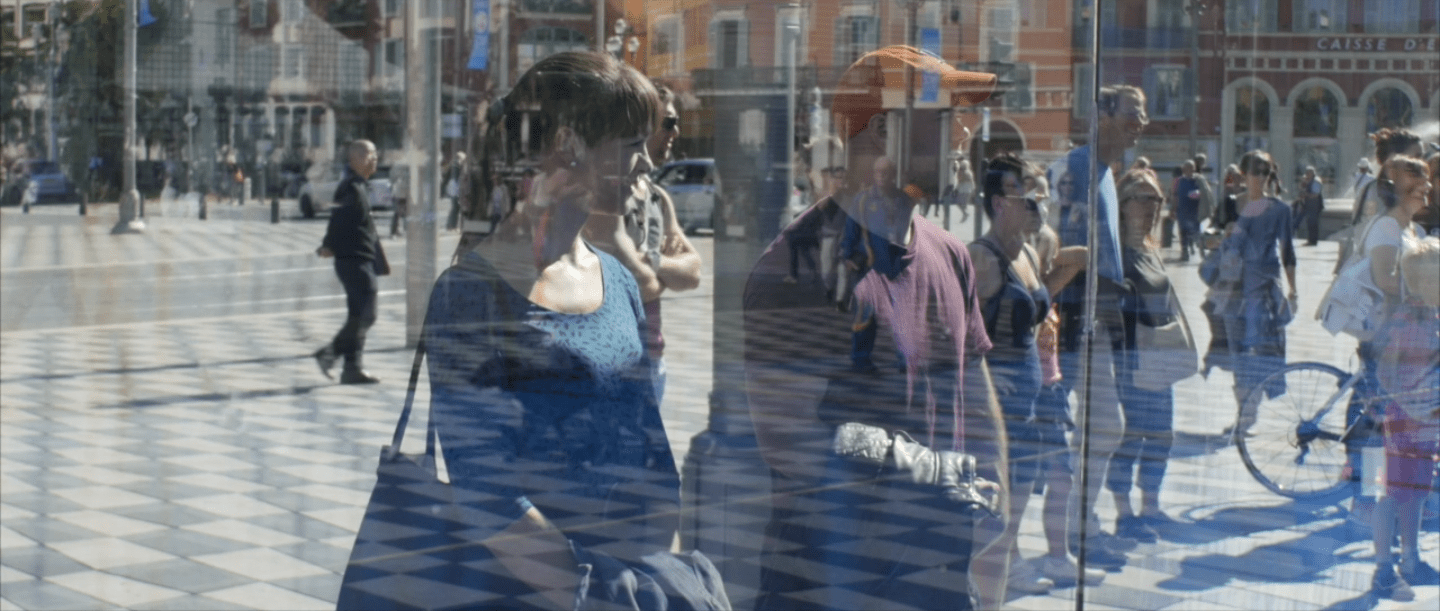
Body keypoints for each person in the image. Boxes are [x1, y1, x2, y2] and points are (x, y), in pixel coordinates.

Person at [744, 45, 1004, 611]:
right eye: (949, 116)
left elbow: (977, 399)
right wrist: (929, 471)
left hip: (938, 574)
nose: (966, 133)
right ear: (886, 131)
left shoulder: (952, 254)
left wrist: (993, 504)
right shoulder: (797, 267)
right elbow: (789, 441)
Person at [420, 51, 683, 607]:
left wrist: (664, 578)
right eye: (632, 143)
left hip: (633, 582)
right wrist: (597, 594)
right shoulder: (471, 293)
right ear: (570, 144)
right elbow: (487, 494)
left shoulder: (616, 279)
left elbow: (650, 447)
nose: (646, 163)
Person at [1047, 84, 1149, 568]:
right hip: (1075, 317)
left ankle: (1078, 525)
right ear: (1102, 115)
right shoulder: (1079, 167)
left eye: (1143, 116)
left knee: (1102, 426)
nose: (1140, 124)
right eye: (1132, 114)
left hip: (1097, 317)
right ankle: (1071, 531)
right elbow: (1057, 248)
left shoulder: (1106, 172)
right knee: (1089, 427)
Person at [582, 81, 702, 407]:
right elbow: (639, 285)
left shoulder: (656, 196)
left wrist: (649, 261)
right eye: (669, 122)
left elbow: (693, 273)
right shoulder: (606, 193)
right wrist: (660, 271)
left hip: (650, 362)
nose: (675, 132)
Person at [967, 154, 1056, 597]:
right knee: (993, 515)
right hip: (998, 411)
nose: (1039, 205)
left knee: (1016, 503)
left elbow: (1032, 314)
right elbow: (950, 329)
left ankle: (1004, 576)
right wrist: (982, 372)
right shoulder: (981, 258)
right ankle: (981, 591)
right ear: (1000, 203)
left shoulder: (1028, 254)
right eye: (1029, 196)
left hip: (1028, 405)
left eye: (1041, 195)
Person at [1107, 168, 1182, 544]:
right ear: (1122, 205)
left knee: (1162, 433)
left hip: (1159, 354)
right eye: (1143, 198)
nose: (1152, 206)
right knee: (1132, 434)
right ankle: (1124, 512)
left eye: (1157, 199)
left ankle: (1150, 505)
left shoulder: (1151, 248)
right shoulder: (1116, 254)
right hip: (1131, 356)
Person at [1370, 231, 1439, 602]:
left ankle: (1410, 560)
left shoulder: (1430, 316)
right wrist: (1409, 403)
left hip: (1424, 422)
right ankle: (1383, 569)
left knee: (1416, 492)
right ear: (1427, 283)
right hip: (1405, 421)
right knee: (1393, 495)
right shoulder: (1408, 320)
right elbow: (1387, 371)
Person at [1210, 150, 1297, 413]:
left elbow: (1288, 250)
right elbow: (1211, 237)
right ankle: (1245, 408)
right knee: (1238, 350)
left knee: (1265, 347)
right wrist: (1222, 237)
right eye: (1254, 172)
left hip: (1265, 287)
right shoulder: (1230, 205)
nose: (1260, 177)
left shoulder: (1280, 209)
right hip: (1232, 287)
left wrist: (1293, 290)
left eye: (1265, 172)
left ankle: (1252, 406)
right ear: (1243, 174)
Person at [314, 140, 387, 385]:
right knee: (367, 314)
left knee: (358, 315)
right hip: (354, 260)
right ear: (353, 159)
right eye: (368, 154)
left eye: (375, 154)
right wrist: (328, 244)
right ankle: (329, 355)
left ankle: (352, 369)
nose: (374, 158)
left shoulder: (359, 186)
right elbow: (338, 219)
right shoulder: (350, 187)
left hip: (359, 258)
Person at [1173, 160, 1203, 261]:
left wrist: (1198, 194)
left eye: (1192, 168)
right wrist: (1173, 209)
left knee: (1195, 231)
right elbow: (1175, 195)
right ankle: (1185, 252)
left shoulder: (1198, 180)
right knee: (1183, 231)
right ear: (1184, 169)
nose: (1191, 170)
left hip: (1194, 210)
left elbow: (1205, 193)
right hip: (1182, 209)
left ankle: (1198, 249)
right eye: (1188, 168)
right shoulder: (1179, 181)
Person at [1294, 165, 1324, 246]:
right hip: (1309, 206)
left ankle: (1313, 241)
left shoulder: (1316, 181)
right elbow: (1302, 188)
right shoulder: (1309, 181)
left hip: (1314, 206)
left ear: (1312, 173)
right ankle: (1311, 240)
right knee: (1310, 223)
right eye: (1306, 173)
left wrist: (1306, 194)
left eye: (1308, 173)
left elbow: (1315, 195)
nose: (1307, 174)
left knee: (1313, 224)